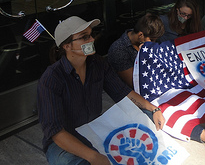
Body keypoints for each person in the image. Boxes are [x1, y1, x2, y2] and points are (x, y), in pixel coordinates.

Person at [37, 16, 166, 165]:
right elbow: (56, 132)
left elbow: (121, 92)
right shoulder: (51, 78)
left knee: (149, 118)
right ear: (67, 46)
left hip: (95, 129)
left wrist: (153, 108)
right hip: (64, 142)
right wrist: (93, 157)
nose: (91, 40)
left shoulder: (98, 63)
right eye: (84, 37)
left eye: (91, 35)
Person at [107, 13, 165, 88]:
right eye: (152, 40)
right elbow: (135, 84)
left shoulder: (147, 39)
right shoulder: (118, 50)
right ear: (140, 35)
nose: (154, 43)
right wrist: (144, 56)